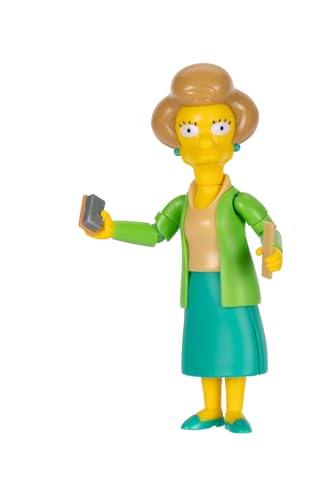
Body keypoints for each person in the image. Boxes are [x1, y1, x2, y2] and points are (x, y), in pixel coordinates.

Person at [82, 63, 283, 433]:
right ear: (177, 143)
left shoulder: (238, 200)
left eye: (217, 127)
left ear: (235, 137)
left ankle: (235, 411)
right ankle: (211, 409)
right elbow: (155, 232)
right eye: (190, 129)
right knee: (206, 347)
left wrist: (275, 251)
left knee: (236, 348)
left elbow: (267, 226)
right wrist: (112, 229)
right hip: (199, 287)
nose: (204, 140)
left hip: (232, 286)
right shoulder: (181, 203)